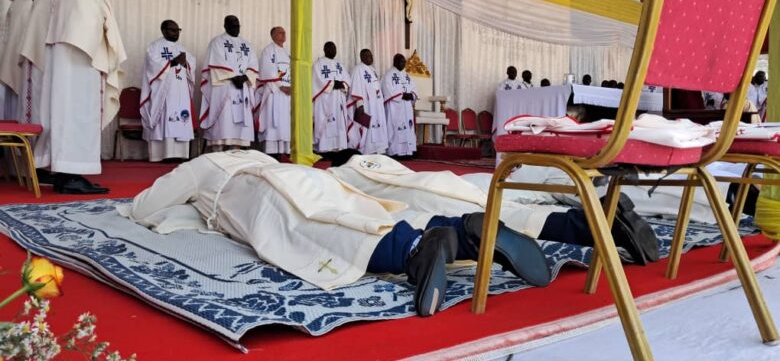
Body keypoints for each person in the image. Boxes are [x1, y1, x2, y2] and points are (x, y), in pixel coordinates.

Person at [119, 151, 550, 317]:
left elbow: (146, 205)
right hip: (304, 176)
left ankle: (417, 252)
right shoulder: (258, 154)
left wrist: (187, 198)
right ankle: (463, 233)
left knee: (313, 234)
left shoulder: (205, 166)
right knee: (355, 213)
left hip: (258, 192)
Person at [329, 154, 660, 266]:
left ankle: (586, 224)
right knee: (505, 205)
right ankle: (590, 222)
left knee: (495, 213)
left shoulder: (339, 173)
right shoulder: (378, 162)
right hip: (439, 180)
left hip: (412, 190)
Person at [34, 0, 126, 195]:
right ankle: (70, 175)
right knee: (76, 113)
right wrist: (103, 5)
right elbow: (88, 18)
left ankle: (66, 173)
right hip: (79, 55)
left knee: (69, 112)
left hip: (71, 52)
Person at [199, 15, 258, 150]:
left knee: (239, 123)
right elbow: (216, 61)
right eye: (232, 26)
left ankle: (236, 151)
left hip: (242, 87)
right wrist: (234, 77)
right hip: (224, 87)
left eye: (237, 26)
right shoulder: (217, 42)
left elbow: (253, 63)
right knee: (224, 119)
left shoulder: (246, 44)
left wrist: (244, 78)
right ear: (225, 26)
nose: (236, 28)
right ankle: (218, 150)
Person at [141, 20, 195, 162]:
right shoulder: (155, 47)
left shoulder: (181, 48)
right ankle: (164, 154)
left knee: (181, 117)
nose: (176, 33)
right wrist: (172, 62)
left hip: (180, 89)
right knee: (166, 116)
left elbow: (190, 63)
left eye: (178, 30)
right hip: (164, 91)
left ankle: (180, 154)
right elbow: (152, 66)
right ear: (164, 30)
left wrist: (187, 63)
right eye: (172, 30)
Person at [19, 0, 59, 125]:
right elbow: (37, 32)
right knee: (36, 106)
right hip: (38, 57)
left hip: (54, 60)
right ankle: (31, 147)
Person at [0, 0, 43, 120]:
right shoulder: (27, 6)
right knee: (15, 113)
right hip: (16, 63)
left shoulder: (16, 3)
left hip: (7, 60)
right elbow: (27, 38)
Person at [257, 26, 291, 156]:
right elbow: (267, 70)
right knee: (273, 124)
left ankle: (285, 153)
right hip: (274, 92)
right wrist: (280, 86)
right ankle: (272, 153)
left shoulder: (288, 53)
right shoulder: (268, 51)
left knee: (286, 125)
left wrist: (292, 86)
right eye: (280, 33)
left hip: (288, 95)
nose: (283, 34)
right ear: (273, 36)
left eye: (284, 32)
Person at [348, 49, 388, 154]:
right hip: (367, 105)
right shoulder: (358, 70)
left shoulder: (372, 70)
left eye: (371, 56)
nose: (370, 58)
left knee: (377, 125)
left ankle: (378, 149)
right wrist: (359, 105)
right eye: (367, 56)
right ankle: (366, 150)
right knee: (366, 128)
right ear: (361, 57)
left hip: (376, 105)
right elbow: (355, 88)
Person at [312, 41, 350, 153]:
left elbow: (347, 79)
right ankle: (324, 149)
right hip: (325, 99)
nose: (333, 50)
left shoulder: (339, 65)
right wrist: (333, 84)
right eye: (330, 48)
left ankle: (339, 148)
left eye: (334, 48)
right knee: (325, 122)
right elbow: (316, 80)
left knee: (339, 123)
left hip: (338, 98)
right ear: (324, 50)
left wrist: (342, 84)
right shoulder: (318, 64)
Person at [381, 53, 418, 157]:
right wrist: (401, 95)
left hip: (406, 107)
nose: (404, 64)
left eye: (404, 62)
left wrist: (411, 95)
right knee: (396, 128)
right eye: (401, 61)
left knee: (408, 128)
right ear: (395, 62)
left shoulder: (407, 76)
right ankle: (395, 152)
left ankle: (408, 151)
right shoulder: (388, 75)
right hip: (395, 107)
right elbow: (387, 89)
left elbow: (414, 89)